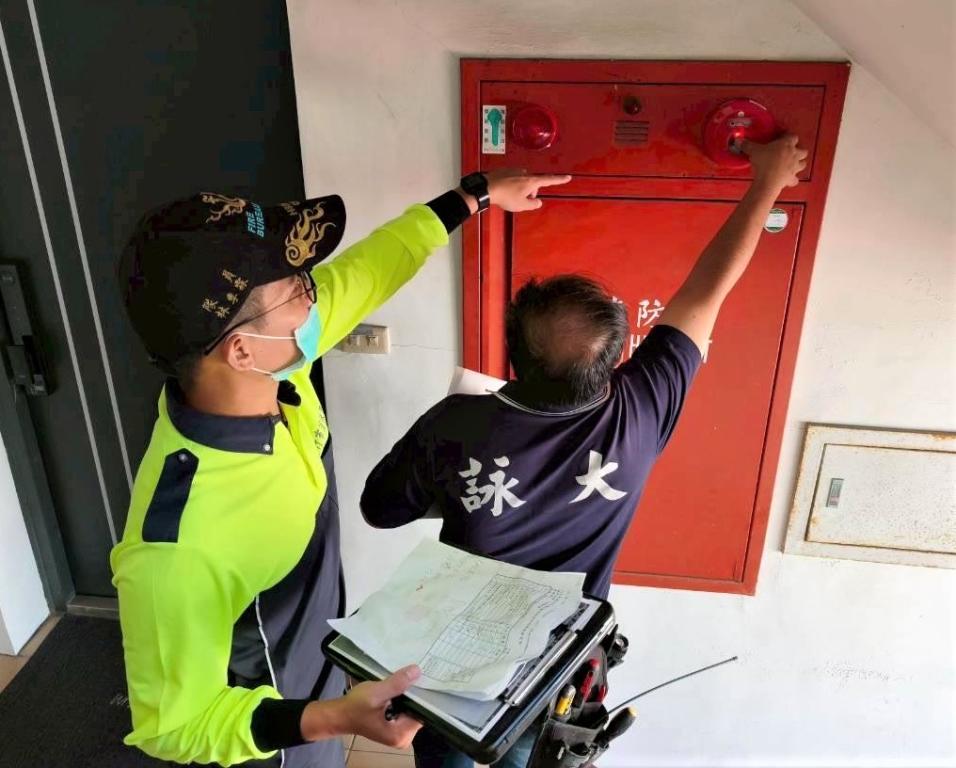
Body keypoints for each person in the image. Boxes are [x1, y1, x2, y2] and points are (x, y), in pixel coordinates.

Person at [361, 136, 808, 768]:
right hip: (558, 671)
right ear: (619, 356)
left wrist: (454, 494)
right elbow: (708, 289)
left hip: (452, 668)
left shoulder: (456, 424)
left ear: (514, 355)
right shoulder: (642, 405)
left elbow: (380, 510)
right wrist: (767, 183)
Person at [111, 169, 571, 767]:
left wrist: (474, 196)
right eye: (295, 288)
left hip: (319, 677)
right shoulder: (177, 546)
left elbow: (366, 271)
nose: (314, 296)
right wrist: (330, 719)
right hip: (271, 742)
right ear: (240, 349)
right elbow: (173, 726)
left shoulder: (278, 374)